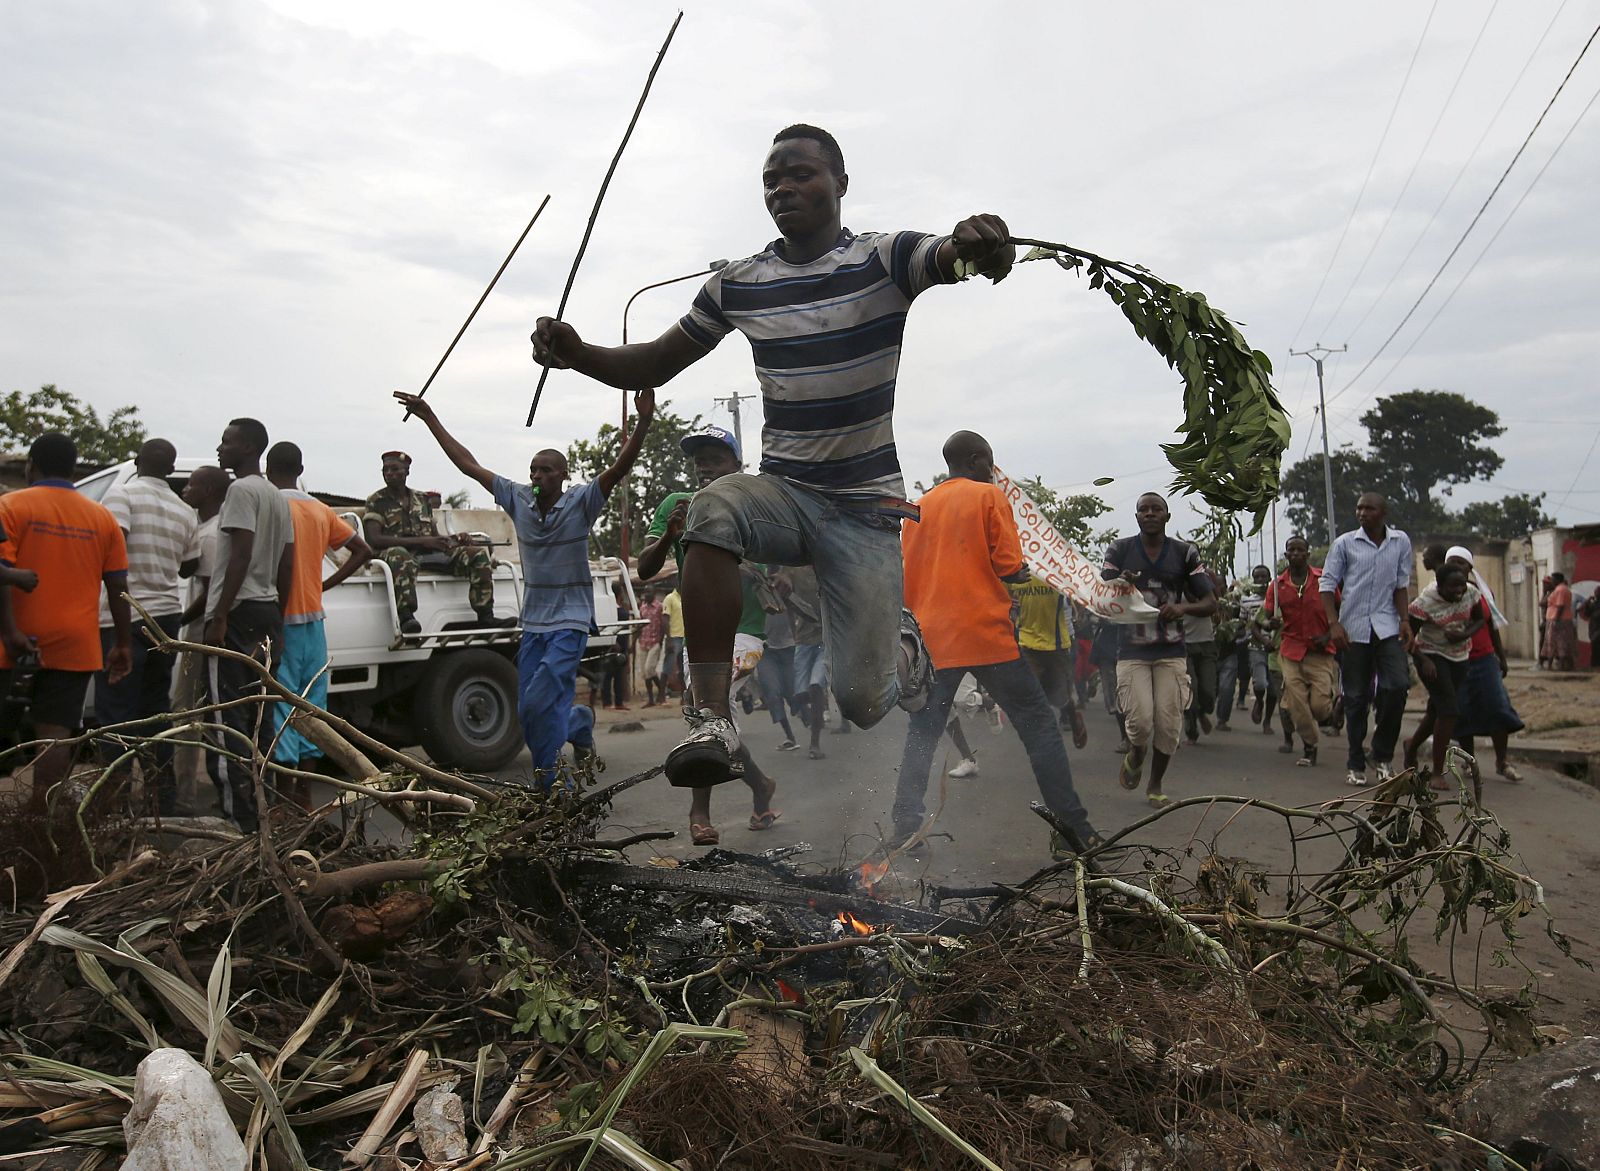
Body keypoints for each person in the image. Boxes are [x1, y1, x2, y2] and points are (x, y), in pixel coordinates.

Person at [531, 123, 1017, 789]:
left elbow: (956, 260)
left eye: (800, 174)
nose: (783, 188)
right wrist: (576, 352)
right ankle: (710, 718)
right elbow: (654, 361)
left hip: (865, 510)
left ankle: (906, 648)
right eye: (771, 180)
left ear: (840, 184)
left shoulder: (886, 257)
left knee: (864, 702)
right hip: (785, 496)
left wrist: (982, 247)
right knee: (711, 508)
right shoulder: (740, 284)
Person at [392, 390, 650, 784]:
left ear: (564, 475)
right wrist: (429, 417)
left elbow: (620, 467)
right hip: (534, 625)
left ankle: (552, 789)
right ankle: (579, 724)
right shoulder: (517, 500)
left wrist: (644, 420)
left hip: (571, 622)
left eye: (547, 470)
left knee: (536, 701)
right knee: (529, 711)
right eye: (533, 470)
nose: (537, 476)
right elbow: (468, 465)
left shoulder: (582, 502)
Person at [894, 431, 1098, 857]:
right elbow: (1007, 565)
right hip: (985, 635)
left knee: (923, 735)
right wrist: (1027, 571)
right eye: (990, 460)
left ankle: (905, 827)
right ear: (976, 459)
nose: (994, 470)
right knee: (1039, 726)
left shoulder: (918, 508)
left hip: (933, 640)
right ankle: (1074, 829)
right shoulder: (988, 497)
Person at [637, 424, 779, 843]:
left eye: (714, 458)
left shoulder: (754, 507)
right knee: (710, 716)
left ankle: (699, 812)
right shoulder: (676, 505)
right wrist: (670, 536)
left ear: (736, 464)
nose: (704, 467)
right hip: (700, 633)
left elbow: (768, 571)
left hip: (745, 631)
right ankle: (761, 787)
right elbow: (645, 568)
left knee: (710, 714)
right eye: (699, 459)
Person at [0, 433, 131, 813]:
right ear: (74, 469)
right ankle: (42, 824)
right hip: (77, 643)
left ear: (31, 465)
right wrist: (122, 643)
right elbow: (118, 583)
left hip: (14, 641)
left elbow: (4, 573)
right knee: (56, 734)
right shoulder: (101, 517)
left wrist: (9, 632)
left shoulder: (10, 506)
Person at [93, 438, 201, 815]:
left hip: (123, 616)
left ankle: (116, 805)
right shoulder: (184, 509)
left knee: (114, 712)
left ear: (136, 461)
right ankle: (161, 801)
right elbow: (189, 565)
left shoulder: (121, 496)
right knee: (156, 710)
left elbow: (112, 547)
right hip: (166, 617)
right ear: (171, 470)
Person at [265, 442, 373, 805]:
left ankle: (284, 800)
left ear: (268, 468)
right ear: (300, 469)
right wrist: (324, 584)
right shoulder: (319, 509)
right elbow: (363, 550)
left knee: (282, 707)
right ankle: (306, 797)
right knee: (313, 708)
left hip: (282, 621)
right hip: (314, 619)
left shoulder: (270, 504)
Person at [203, 418, 295, 830]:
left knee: (227, 718)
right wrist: (280, 615)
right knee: (260, 716)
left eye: (228, 441)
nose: (220, 447)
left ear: (249, 448)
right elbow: (287, 562)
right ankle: (264, 810)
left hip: (238, 612)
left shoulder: (240, 490)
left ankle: (239, 819)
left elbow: (239, 553)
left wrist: (219, 615)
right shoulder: (277, 496)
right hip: (267, 612)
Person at [1101, 492, 1216, 806]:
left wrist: (1181, 608)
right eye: (1143, 509)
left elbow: (1209, 602)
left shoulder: (1184, 553)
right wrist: (1120, 582)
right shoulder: (1120, 549)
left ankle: (1155, 783)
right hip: (1131, 650)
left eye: (1156, 509)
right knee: (1140, 723)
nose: (1150, 513)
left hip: (1171, 651)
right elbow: (1101, 593)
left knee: (1168, 724)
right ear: (1136, 516)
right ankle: (1137, 752)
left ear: (1167, 516)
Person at [1321, 492, 1414, 787]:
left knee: (1397, 686)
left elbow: (1401, 585)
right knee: (1356, 697)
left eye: (1369, 508)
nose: (1362, 513)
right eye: (1359, 507)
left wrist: (1405, 621)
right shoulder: (1345, 543)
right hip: (1353, 629)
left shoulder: (1400, 542)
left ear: (1383, 512)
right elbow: (1327, 584)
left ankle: (1382, 754)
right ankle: (1355, 761)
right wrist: (1333, 623)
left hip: (1387, 625)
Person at [363, 450, 497, 634]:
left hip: (428, 554)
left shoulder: (422, 499)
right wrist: (423, 541)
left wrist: (455, 539)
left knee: (477, 553)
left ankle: (485, 616)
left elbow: (434, 535)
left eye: (395, 469)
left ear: (407, 472)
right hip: (397, 555)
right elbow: (374, 539)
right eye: (385, 470)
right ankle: (406, 617)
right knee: (399, 554)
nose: (389, 474)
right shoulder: (376, 500)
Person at [1431, 546, 1524, 782]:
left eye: (1461, 563)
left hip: (1484, 658)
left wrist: (1501, 658)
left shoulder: (1481, 592)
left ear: (1470, 568)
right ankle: (1469, 761)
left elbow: (1490, 626)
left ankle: (1502, 761)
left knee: (1497, 707)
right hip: (1455, 660)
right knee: (1462, 712)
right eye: (1451, 562)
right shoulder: (1437, 593)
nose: (1456, 566)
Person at [1260, 535, 1336, 767]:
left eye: (1299, 550)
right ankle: (1309, 746)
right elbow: (1266, 616)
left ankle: (1331, 708)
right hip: (1291, 650)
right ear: (1285, 555)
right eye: (1290, 550)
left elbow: (1340, 610)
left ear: (1307, 554)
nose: (1295, 554)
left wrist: (1330, 633)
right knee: (1297, 703)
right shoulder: (1278, 586)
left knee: (1320, 706)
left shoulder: (1324, 580)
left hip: (1320, 649)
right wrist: (1269, 624)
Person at [1404, 563, 1480, 786]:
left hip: (1459, 656)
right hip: (1431, 655)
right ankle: (1437, 771)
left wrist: (1464, 634)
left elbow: (1480, 620)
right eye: (1452, 587)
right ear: (1440, 585)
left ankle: (1412, 745)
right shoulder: (1424, 603)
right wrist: (1424, 660)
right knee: (1449, 711)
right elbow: (1409, 640)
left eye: (1461, 586)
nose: (1458, 591)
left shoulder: (1471, 593)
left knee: (1436, 710)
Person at [1010, 576, 1089, 748]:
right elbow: (1001, 591)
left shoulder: (1054, 570)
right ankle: (1046, 737)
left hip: (1056, 645)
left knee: (1062, 697)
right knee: (1034, 693)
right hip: (1028, 644)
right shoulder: (1016, 571)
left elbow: (1081, 590)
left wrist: (1080, 615)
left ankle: (1073, 717)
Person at [1181, 572, 1219, 745]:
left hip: (1206, 642)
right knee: (1191, 689)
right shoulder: (1173, 582)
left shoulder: (1205, 582)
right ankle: (1191, 730)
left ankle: (1202, 711)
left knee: (1208, 691)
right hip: (1182, 644)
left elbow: (1213, 604)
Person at [599, 581, 631, 711]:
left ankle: (619, 702)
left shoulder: (621, 608)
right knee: (608, 675)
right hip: (612, 646)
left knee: (618, 676)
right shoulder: (610, 610)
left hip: (622, 646)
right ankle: (607, 702)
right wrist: (613, 642)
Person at [635, 587, 666, 707]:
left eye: (649, 592)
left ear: (654, 593)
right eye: (645, 592)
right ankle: (651, 699)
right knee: (645, 673)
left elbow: (663, 624)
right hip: (643, 641)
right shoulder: (642, 607)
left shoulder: (659, 607)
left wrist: (662, 640)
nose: (646, 594)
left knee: (649, 669)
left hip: (655, 641)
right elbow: (640, 625)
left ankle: (661, 692)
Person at [1543, 573, 1577, 671]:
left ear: (1558, 580)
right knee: (1560, 642)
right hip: (1560, 618)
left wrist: (1556, 619)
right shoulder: (1562, 589)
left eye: (1553, 579)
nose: (1551, 582)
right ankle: (1559, 665)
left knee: (1556, 642)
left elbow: (1560, 605)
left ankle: (1559, 666)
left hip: (1559, 619)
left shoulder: (1560, 590)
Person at [660, 587, 685, 699]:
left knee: (683, 669)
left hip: (684, 638)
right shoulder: (670, 598)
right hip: (674, 638)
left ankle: (683, 696)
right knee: (667, 667)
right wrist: (668, 639)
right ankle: (661, 696)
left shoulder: (684, 598)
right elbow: (665, 619)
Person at [1582, 586, 1600, 672]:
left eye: (1597, 592)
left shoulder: (1595, 604)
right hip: (1594, 629)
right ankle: (1596, 667)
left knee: (1596, 648)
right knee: (1595, 648)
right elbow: (1586, 613)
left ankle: (1596, 666)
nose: (1595, 594)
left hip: (1596, 630)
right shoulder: (1594, 604)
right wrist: (1587, 602)